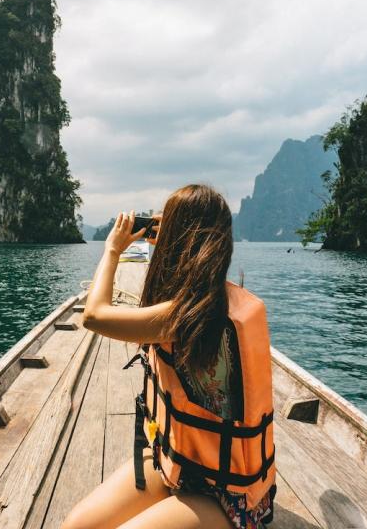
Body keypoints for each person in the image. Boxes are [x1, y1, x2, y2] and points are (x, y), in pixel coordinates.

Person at [62, 184, 276, 529]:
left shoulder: (190, 314)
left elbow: (94, 315)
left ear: (180, 237)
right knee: (76, 525)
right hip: (180, 462)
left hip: (227, 497)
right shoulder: (193, 301)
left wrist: (113, 250)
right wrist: (169, 248)